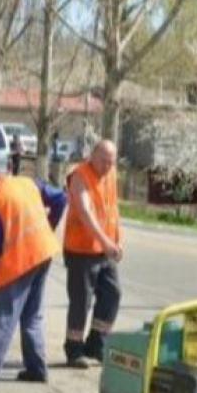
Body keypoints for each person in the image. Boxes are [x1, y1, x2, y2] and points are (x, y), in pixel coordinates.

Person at [0, 158, 66, 385]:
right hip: (43, 253)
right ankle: (36, 369)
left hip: (21, 262)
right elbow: (60, 198)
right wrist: (49, 226)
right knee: (32, 315)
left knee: (3, 316)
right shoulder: (27, 183)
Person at [62, 139, 122, 369]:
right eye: (104, 160)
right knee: (81, 301)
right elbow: (85, 212)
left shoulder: (111, 174)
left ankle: (96, 344)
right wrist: (106, 241)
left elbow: (113, 209)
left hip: (104, 249)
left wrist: (117, 240)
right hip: (81, 250)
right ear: (93, 155)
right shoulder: (80, 176)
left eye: (112, 162)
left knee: (112, 294)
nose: (108, 166)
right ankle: (74, 349)